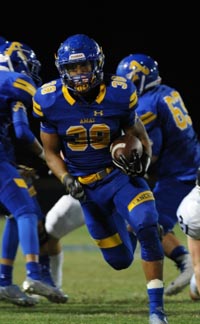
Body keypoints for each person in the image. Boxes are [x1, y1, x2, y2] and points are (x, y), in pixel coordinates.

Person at [32, 33, 168, 324]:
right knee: (119, 261)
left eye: (85, 67)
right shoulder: (49, 99)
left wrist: (142, 158)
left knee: (146, 221)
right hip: (86, 190)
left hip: (118, 178)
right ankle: (132, 228)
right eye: (73, 68)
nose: (79, 74)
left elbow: (140, 135)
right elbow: (51, 151)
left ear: (98, 64)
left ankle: (157, 311)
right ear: (62, 69)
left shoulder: (119, 91)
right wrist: (66, 178)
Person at [116, 53, 200, 296]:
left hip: (179, 175)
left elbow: (150, 150)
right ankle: (190, 270)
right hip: (190, 166)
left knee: (147, 223)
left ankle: (187, 265)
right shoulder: (167, 92)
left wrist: (127, 166)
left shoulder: (147, 105)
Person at [0, 40, 67, 305]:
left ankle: (4, 281)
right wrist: (49, 156)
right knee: (26, 211)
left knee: (16, 212)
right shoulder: (13, 80)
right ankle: (34, 274)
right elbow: (23, 130)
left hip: (4, 159)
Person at [177, 167, 200, 300]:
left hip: (192, 205)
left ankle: (193, 285)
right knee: (198, 263)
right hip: (195, 210)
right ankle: (194, 286)